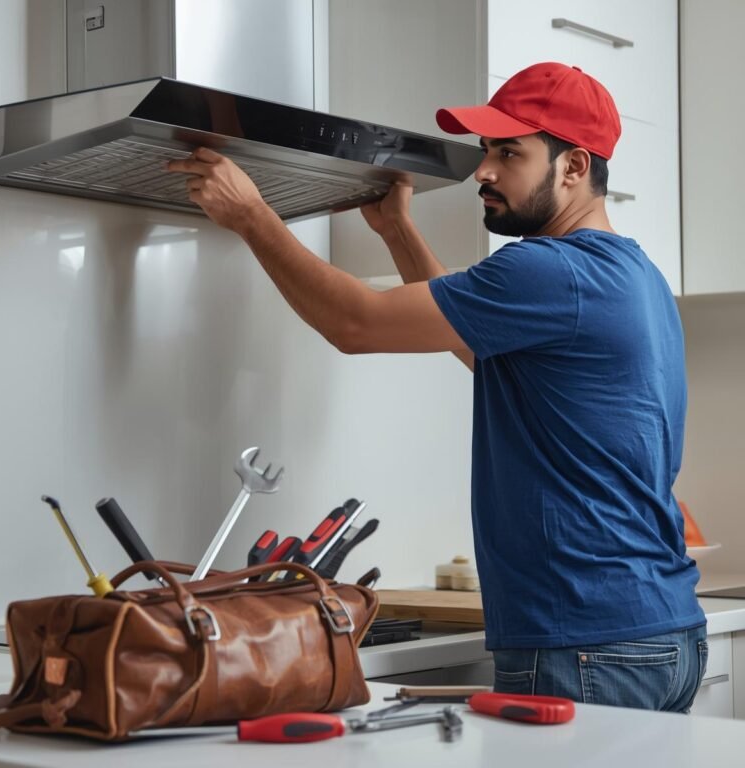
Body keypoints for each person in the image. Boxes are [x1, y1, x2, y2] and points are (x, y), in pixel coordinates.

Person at [167, 61, 707, 712]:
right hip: (657, 630)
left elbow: (354, 323)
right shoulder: (634, 275)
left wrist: (252, 215)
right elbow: (478, 342)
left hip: (584, 638)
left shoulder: (547, 271)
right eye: (485, 151)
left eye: (510, 153)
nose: (483, 171)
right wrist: (397, 229)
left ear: (574, 167)